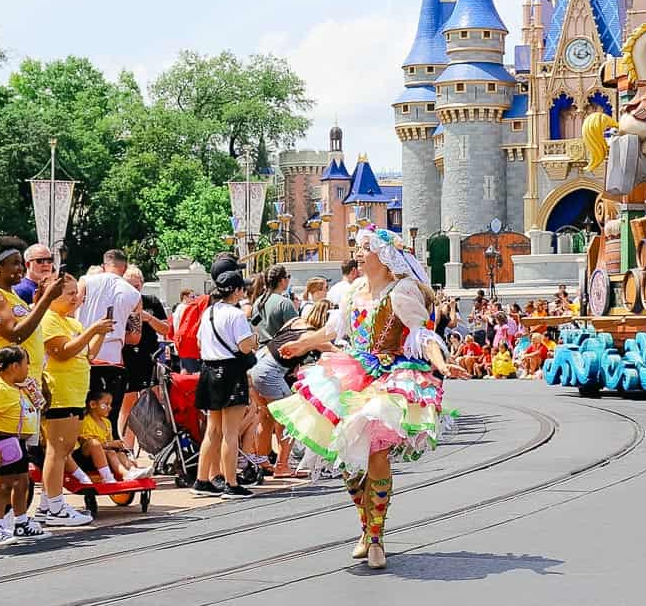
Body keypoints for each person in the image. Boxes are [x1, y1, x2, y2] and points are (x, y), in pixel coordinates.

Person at [270, 228, 456, 569]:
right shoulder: (353, 291)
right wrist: (302, 344)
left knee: (377, 456)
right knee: (348, 457)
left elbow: (421, 335)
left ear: (384, 257)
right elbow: (331, 331)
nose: (358, 253)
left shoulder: (401, 292)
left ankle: (376, 537)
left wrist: (442, 362)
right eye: (357, 247)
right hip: (350, 373)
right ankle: (365, 528)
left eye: (365, 248)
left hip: (388, 378)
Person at [0, 237, 66, 528]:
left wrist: (37, 380)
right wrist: (46, 300)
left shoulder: (13, 296)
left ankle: (9, 515)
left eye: (21, 263)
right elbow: (14, 333)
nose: (20, 269)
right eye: (14, 264)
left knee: (14, 448)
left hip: (21, 381)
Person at [35, 275, 110, 525]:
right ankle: (55, 507)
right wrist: (92, 330)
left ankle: (49, 504)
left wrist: (99, 332)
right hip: (59, 393)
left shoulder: (71, 322)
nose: (76, 298)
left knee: (65, 449)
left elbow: (87, 354)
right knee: (56, 451)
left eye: (76, 292)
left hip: (75, 392)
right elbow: (62, 352)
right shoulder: (48, 319)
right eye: (69, 294)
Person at [194, 263, 257, 498]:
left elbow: (200, 343)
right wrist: (254, 338)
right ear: (237, 291)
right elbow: (244, 346)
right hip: (230, 371)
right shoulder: (236, 314)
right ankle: (231, 482)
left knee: (213, 429)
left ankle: (202, 479)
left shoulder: (208, 312)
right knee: (230, 432)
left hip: (208, 370)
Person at [0, 345, 43, 545]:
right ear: (14, 366)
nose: (28, 368)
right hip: (5, 441)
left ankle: (21, 522)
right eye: (26, 364)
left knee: (22, 483)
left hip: (19, 442)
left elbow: (39, 406)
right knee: (4, 485)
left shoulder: (19, 387)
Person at [247, 266, 302, 478]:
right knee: (285, 416)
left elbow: (254, 328)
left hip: (259, 357)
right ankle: (283, 463)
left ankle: (262, 461)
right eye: (287, 277)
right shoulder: (284, 303)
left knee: (266, 417)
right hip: (280, 359)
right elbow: (295, 332)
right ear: (281, 280)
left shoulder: (259, 301)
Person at [76, 250, 141, 407]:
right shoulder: (134, 294)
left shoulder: (86, 281)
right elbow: (135, 337)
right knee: (108, 412)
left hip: (83, 351)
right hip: (113, 357)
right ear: (124, 268)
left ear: (103, 265)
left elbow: (69, 311)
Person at [119, 267, 172, 442]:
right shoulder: (120, 302)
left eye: (137, 285)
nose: (134, 289)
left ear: (142, 285)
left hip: (149, 355)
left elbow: (166, 329)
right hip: (127, 355)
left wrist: (148, 318)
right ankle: (127, 446)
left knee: (154, 401)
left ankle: (155, 442)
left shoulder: (151, 301)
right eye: (130, 286)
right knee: (128, 402)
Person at [76, 390, 149, 482]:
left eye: (110, 405)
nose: (109, 408)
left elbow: (109, 444)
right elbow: (86, 444)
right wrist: (110, 444)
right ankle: (124, 474)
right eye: (105, 404)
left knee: (120, 454)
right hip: (88, 456)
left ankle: (132, 470)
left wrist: (116, 445)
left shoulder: (107, 422)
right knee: (105, 450)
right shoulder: (86, 421)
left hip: (104, 451)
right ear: (93, 404)